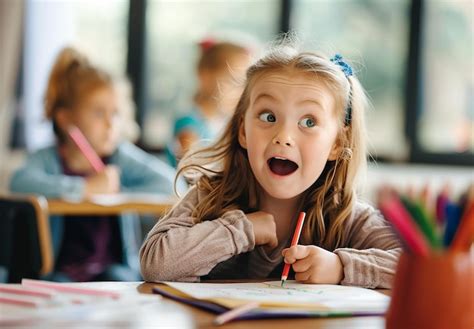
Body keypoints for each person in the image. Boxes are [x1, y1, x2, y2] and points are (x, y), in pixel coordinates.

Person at [140, 42, 401, 288]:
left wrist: (342, 267)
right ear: (243, 130)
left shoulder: (345, 217)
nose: (283, 137)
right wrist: (244, 230)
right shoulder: (211, 197)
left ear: (336, 143)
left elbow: (415, 264)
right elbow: (155, 263)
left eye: (309, 122)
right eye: (268, 116)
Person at [10, 47, 183, 282]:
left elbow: (174, 184)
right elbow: (19, 182)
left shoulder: (118, 156)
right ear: (66, 118)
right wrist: (86, 188)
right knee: (59, 284)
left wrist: (118, 191)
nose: (111, 124)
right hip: (58, 272)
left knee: (121, 279)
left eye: (115, 113)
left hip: (111, 270)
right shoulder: (47, 159)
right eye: (99, 113)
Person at [167, 39, 251, 167]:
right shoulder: (189, 123)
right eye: (232, 82)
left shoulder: (227, 123)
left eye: (243, 84)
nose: (240, 92)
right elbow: (191, 169)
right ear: (205, 75)